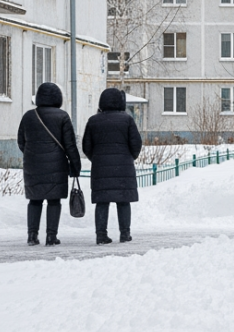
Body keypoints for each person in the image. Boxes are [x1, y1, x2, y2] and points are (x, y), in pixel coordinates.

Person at [17, 82, 82, 246]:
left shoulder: (29, 116)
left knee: (35, 200)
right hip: (56, 166)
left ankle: (32, 235)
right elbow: (70, 145)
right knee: (54, 201)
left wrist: (33, 155)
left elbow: (21, 141)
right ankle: (51, 236)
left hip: (33, 165)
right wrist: (75, 165)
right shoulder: (62, 116)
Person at [82, 87, 143, 244]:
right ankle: (125, 234)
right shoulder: (127, 119)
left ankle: (101, 235)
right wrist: (130, 157)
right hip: (124, 167)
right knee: (123, 201)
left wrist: (96, 158)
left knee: (102, 201)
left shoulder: (93, 121)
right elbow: (136, 143)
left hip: (100, 168)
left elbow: (86, 146)